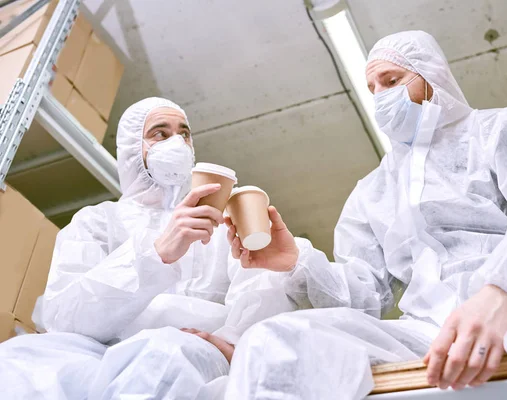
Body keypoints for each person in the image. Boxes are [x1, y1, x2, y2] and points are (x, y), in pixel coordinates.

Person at [222, 31, 507, 399]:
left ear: (433, 76)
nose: (382, 97)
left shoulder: (503, 131)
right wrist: (296, 262)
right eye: (373, 89)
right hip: (423, 334)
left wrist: (501, 291)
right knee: (272, 341)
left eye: (392, 80)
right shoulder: (373, 190)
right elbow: (367, 295)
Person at [0, 97, 299, 399]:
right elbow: (66, 319)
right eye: (160, 133)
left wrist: (231, 344)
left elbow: (261, 290)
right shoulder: (97, 222)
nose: (178, 143)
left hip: (203, 351)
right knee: (15, 361)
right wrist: (155, 255)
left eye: (184, 134)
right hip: (107, 354)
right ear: (132, 149)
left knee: (165, 355)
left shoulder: (225, 221)